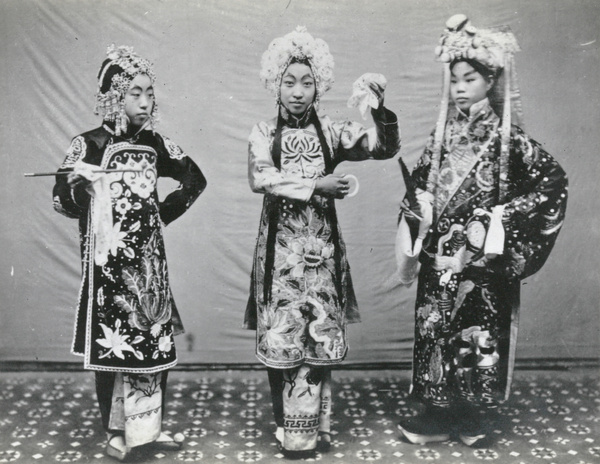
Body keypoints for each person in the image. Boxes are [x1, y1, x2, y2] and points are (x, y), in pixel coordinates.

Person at [394, 15, 568, 447]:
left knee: (477, 335)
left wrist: (501, 218)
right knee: (433, 329)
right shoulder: (442, 136)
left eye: (469, 78)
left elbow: (553, 183)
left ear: (491, 79)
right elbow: (416, 185)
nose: (459, 88)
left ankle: (472, 415)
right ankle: (433, 414)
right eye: (454, 80)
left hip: (483, 259)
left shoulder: (509, 140)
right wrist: (419, 208)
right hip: (441, 257)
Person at [243, 27, 401, 458]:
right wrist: (317, 184)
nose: (297, 91)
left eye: (306, 82)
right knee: (283, 338)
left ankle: (318, 427)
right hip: (280, 257)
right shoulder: (262, 132)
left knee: (319, 338)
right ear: (276, 83)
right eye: (289, 81)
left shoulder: (331, 131)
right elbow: (262, 178)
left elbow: (381, 147)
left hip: (324, 255)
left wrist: (378, 106)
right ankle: (291, 429)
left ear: (319, 86)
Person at [52, 45, 207, 461]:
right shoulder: (87, 145)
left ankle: (148, 428)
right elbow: (60, 201)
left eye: (150, 92)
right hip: (106, 265)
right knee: (113, 348)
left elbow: (195, 180)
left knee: (154, 344)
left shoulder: (156, 143)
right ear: (113, 96)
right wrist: (80, 187)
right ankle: (114, 431)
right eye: (134, 92)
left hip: (149, 264)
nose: (145, 101)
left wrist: (157, 217)